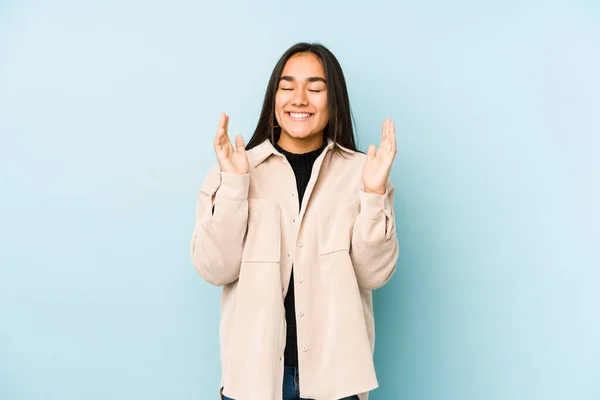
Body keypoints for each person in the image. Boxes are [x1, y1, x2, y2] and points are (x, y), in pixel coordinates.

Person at [190, 42, 399, 400]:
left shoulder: (363, 174)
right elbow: (214, 269)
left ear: (334, 102)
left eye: (315, 88)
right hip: (253, 380)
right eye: (287, 87)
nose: (299, 98)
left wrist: (373, 193)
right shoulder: (234, 171)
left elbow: (373, 275)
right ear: (274, 99)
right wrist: (235, 187)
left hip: (338, 381)